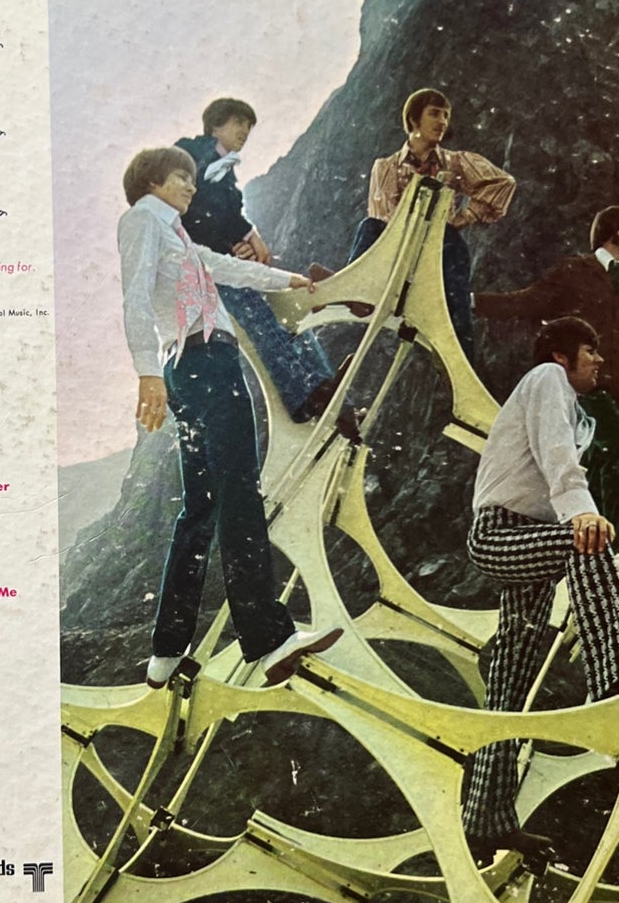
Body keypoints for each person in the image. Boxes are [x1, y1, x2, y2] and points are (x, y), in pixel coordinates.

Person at [118, 145, 343, 688]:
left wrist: (285, 279)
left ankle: (166, 651)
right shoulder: (144, 220)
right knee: (239, 492)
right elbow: (134, 296)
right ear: (152, 181)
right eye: (181, 176)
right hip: (203, 362)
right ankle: (266, 639)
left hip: (192, 366)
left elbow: (223, 267)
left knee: (201, 508)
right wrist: (146, 373)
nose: (191, 186)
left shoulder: (176, 234)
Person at [461, 314, 619, 868]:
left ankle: (486, 821)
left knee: (511, 683)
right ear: (562, 356)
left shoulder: (577, 411)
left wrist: (601, 548)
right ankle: (616, 677)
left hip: (531, 541)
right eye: (590, 350)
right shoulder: (547, 379)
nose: (599, 360)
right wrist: (583, 519)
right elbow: (556, 457)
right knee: (582, 544)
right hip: (500, 533)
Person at [475, 207, 619, 547]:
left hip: (613, 389)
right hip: (574, 384)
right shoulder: (575, 271)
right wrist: (470, 302)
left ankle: (595, 540)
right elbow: (529, 301)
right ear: (611, 231)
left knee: (598, 460)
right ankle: (612, 545)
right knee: (612, 447)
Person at [176, 98, 346, 426]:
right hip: (202, 269)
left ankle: (326, 390)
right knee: (260, 316)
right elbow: (202, 210)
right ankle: (302, 396)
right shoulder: (194, 153)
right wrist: (246, 236)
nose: (245, 131)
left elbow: (221, 213)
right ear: (216, 125)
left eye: (248, 126)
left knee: (286, 315)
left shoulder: (222, 166)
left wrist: (240, 241)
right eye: (238, 122)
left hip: (219, 260)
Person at [344, 88, 515, 360]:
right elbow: (383, 215)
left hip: (439, 248)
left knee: (456, 292)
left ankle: (460, 361)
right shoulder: (386, 167)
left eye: (446, 115)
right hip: (397, 248)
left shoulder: (454, 162)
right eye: (434, 114)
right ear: (414, 120)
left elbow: (503, 182)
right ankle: (353, 288)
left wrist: (465, 216)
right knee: (370, 226)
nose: (442, 122)